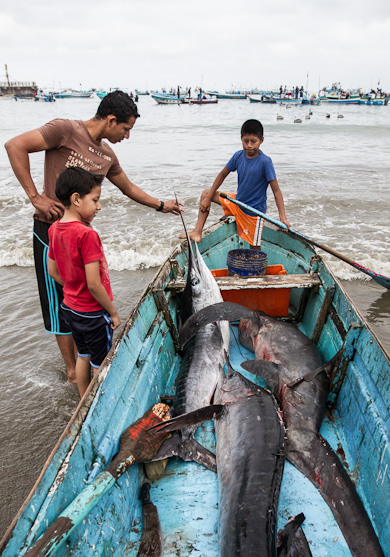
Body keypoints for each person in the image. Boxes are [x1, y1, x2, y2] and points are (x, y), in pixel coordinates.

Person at [4, 90, 182, 384]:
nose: (127, 136)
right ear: (111, 120)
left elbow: (128, 187)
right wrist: (35, 196)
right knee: (56, 302)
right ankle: (73, 372)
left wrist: (162, 206)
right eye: (125, 129)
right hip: (51, 230)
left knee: (79, 298)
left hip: (81, 235)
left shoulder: (108, 155)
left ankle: (81, 361)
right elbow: (14, 146)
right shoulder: (65, 129)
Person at [48, 167, 119, 399]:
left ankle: (83, 400)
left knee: (83, 356)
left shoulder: (54, 229)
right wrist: (113, 312)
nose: (99, 206)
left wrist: (72, 287)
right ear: (76, 199)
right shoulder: (87, 235)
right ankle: (99, 404)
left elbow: (52, 271)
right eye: (95, 200)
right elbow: (94, 284)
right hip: (93, 313)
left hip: (70, 308)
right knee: (101, 362)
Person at [184, 119, 290, 247]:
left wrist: (282, 217)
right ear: (241, 139)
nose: (249, 145)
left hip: (253, 213)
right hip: (237, 203)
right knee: (206, 194)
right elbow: (222, 175)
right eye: (246, 141)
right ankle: (197, 232)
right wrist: (207, 199)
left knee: (254, 249)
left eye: (253, 141)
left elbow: (276, 191)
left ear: (261, 140)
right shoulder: (238, 156)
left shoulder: (265, 162)